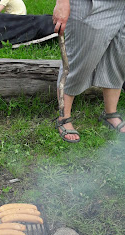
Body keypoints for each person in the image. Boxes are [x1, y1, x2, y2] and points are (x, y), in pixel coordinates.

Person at [53, 0, 125, 143]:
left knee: (120, 57)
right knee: (81, 58)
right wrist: (62, 3)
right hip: (91, 4)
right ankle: (63, 117)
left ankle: (110, 114)